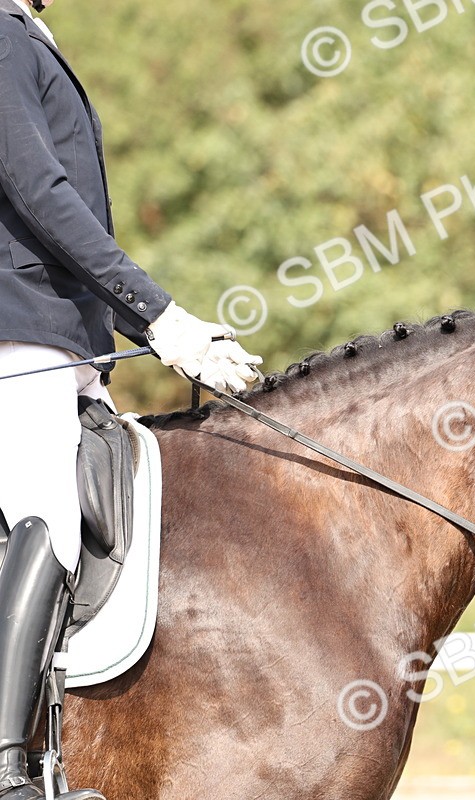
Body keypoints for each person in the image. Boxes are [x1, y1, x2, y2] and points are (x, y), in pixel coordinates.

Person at [0, 0, 263, 796]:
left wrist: (145, 325)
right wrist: (159, 313)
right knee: (50, 515)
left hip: (59, 339)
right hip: (17, 332)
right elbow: (38, 191)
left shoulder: (25, 35)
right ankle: (7, 769)